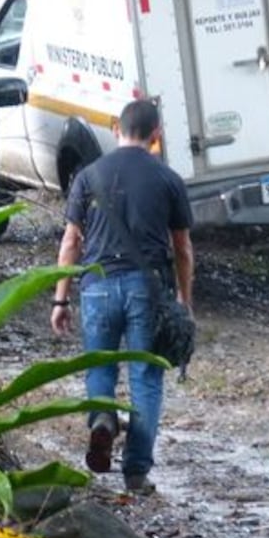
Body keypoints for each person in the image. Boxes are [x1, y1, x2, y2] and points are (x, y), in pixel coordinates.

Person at [50, 99, 194, 495]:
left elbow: (70, 242)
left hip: (96, 286)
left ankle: (103, 420)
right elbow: (182, 248)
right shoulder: (167, 178)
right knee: (146, 377)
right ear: (156, 136)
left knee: (101, 367)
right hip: (147, 291)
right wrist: (184, 299)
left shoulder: (88, 175)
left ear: (117, 129)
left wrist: (60, 299)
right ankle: (135, 471)